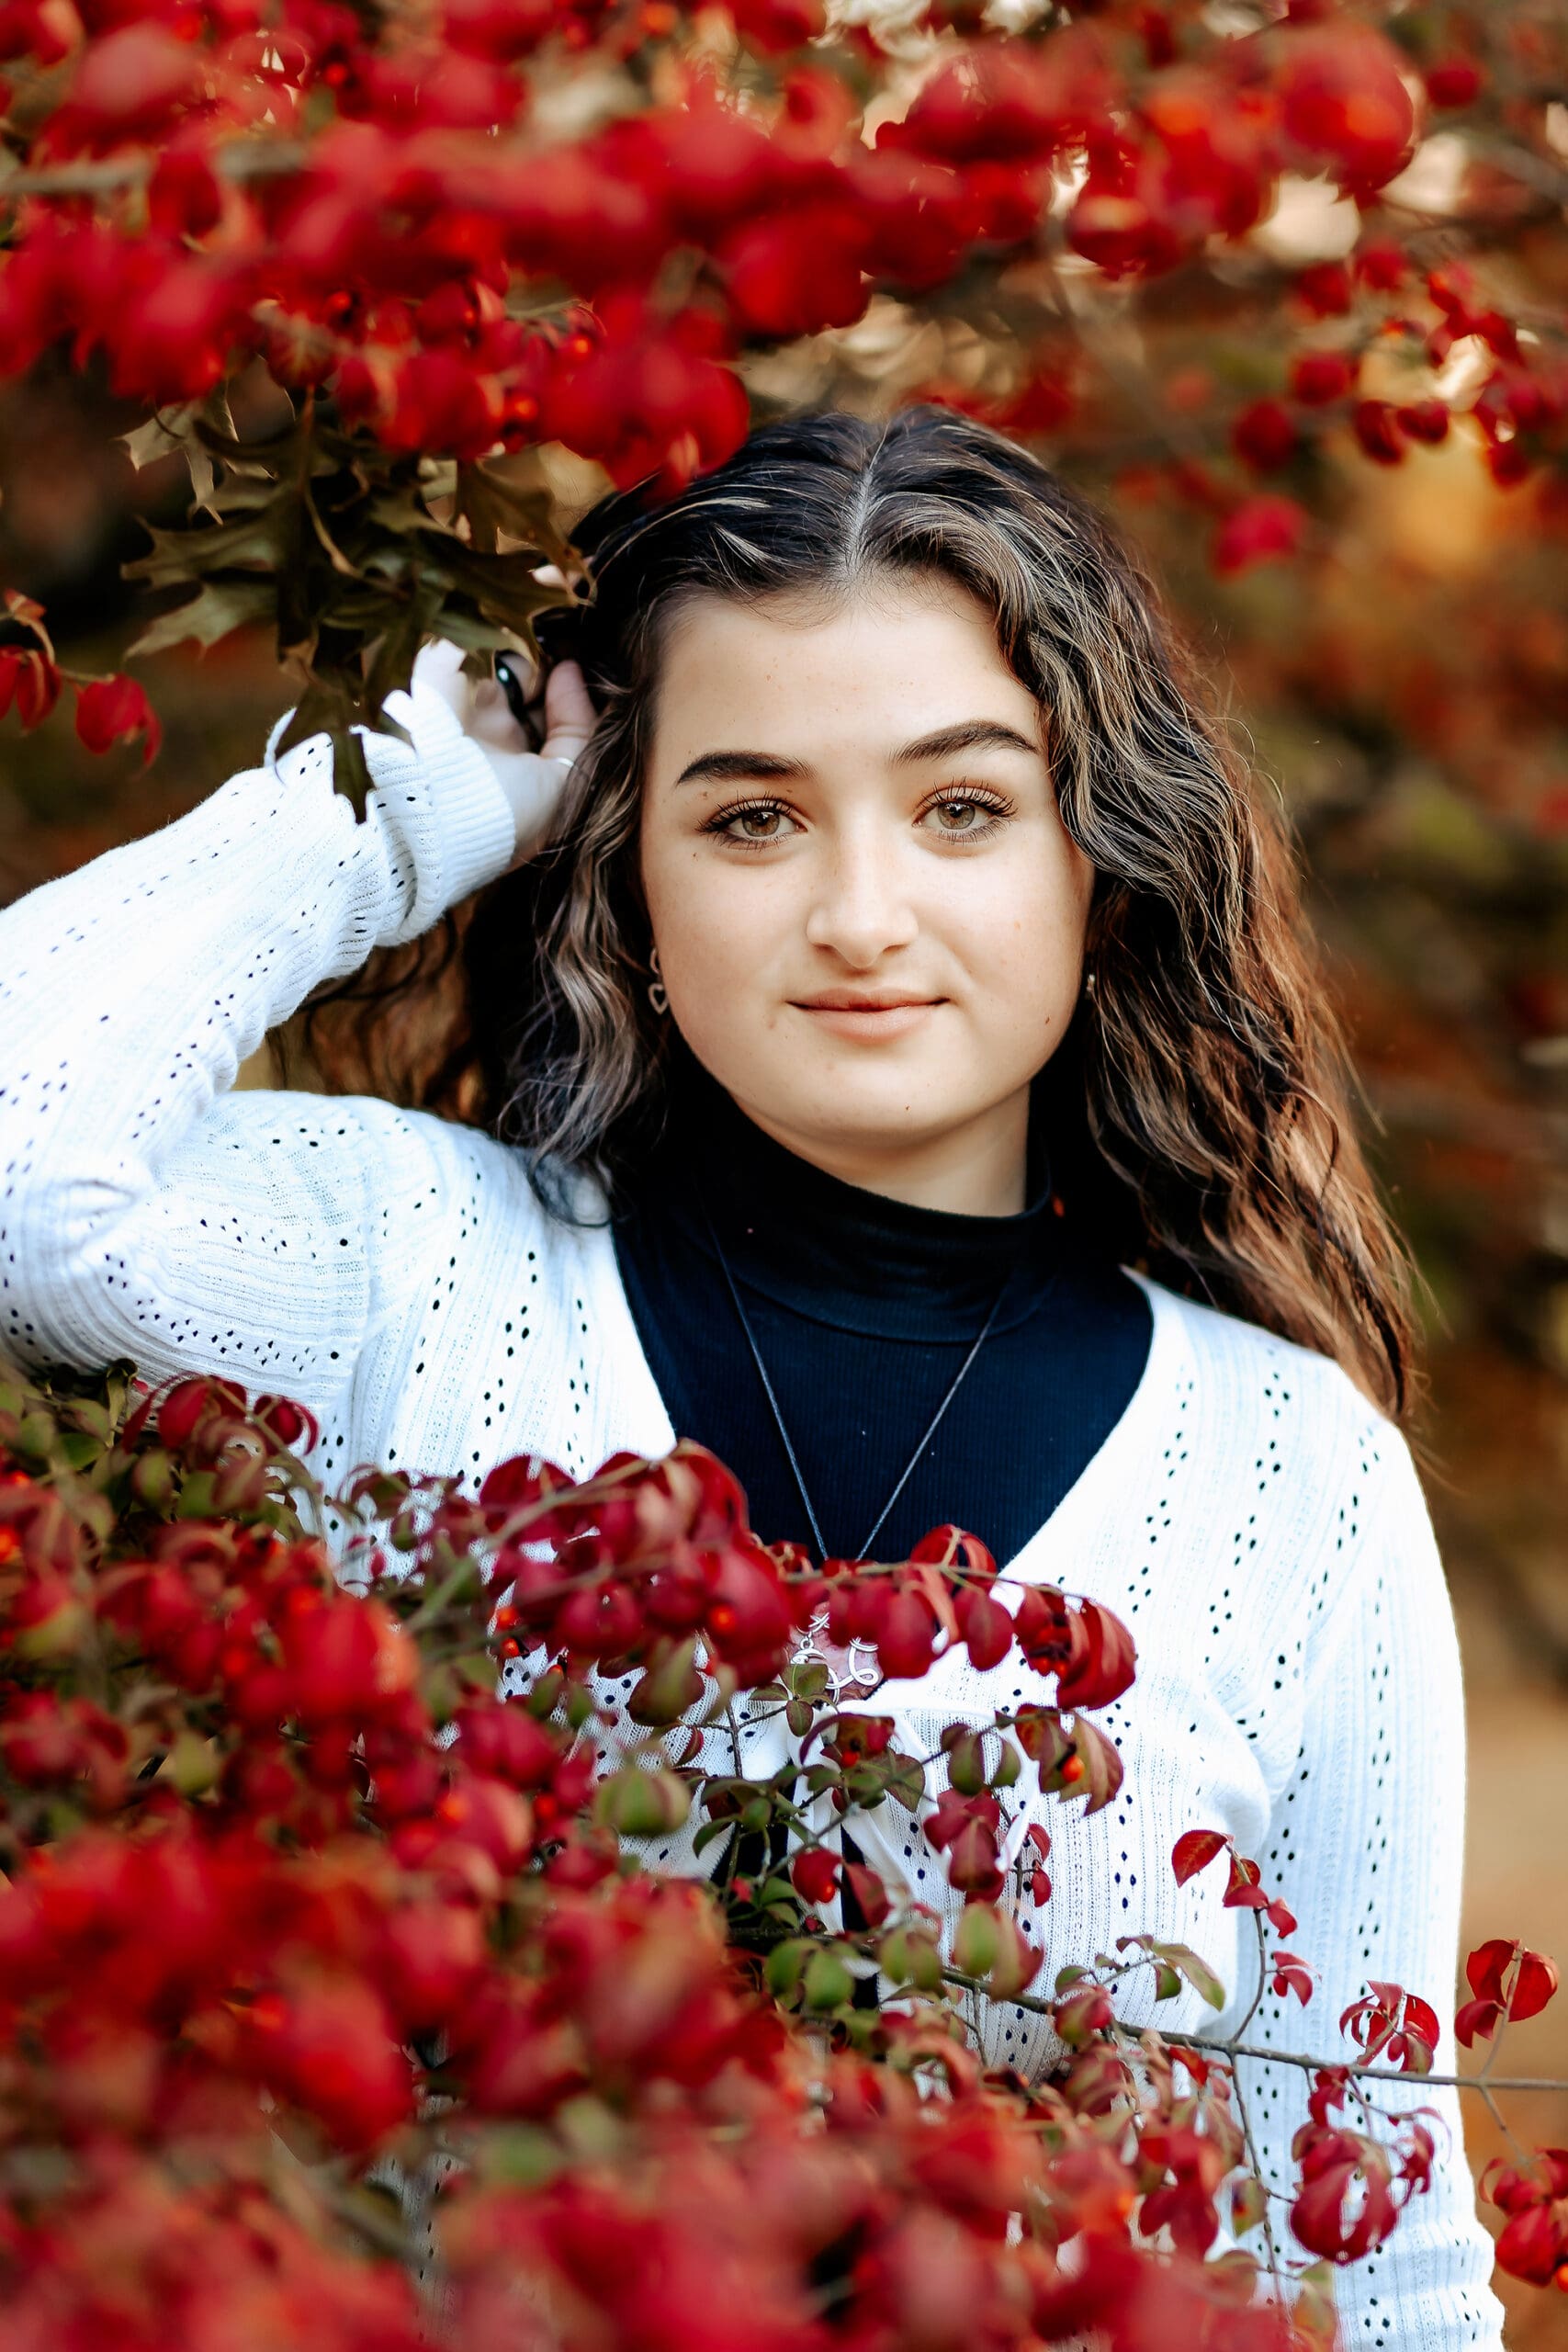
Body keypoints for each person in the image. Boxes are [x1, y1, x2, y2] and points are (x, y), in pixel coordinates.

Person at [0, 405, 1505, 2345]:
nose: (857, 915)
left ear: (1098, 864)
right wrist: (394, 813)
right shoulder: (408, 1268)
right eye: (746, 814)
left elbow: (1378, 2254)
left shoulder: (1292, 1475)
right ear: (623, 879)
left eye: (959, 808)